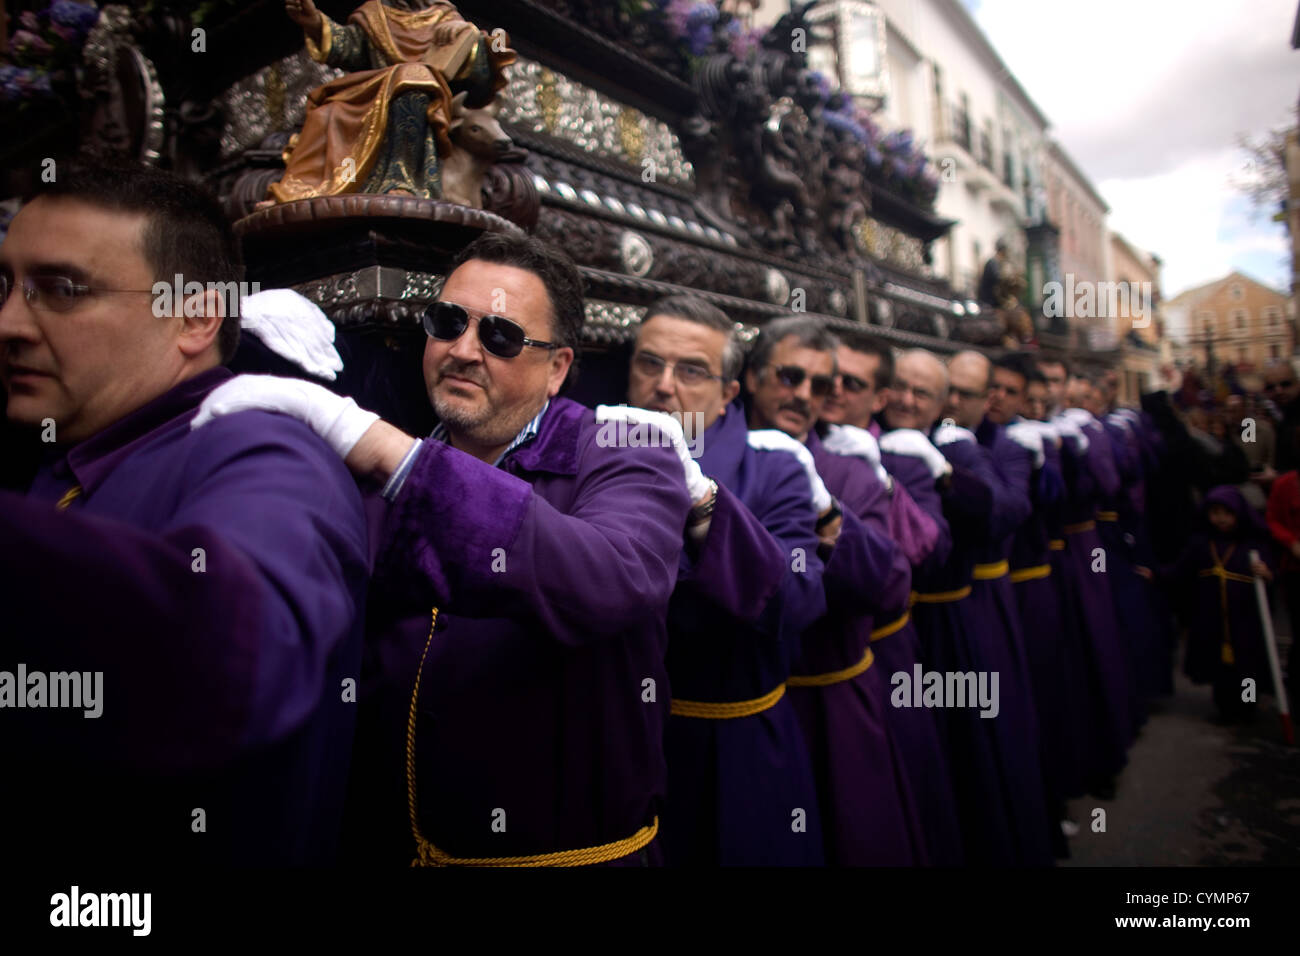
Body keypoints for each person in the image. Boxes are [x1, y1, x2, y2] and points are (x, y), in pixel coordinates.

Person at [197, 232, 696, 866]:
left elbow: (614, 578)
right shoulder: (369, 470)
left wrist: (384, 450)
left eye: (500, 337)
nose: (462, 351)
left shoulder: (626, 450)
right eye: (447, 322)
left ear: (558, 368)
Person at [0, 159, 370, 865]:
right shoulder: (61, 459)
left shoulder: (260, 445)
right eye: (6, 287)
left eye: (61, 290)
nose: (10, 323)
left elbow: (242, 652)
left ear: (194, 315)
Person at [625, 295, 827, 866]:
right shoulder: (599, 446)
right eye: (649, 364)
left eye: (691, 371)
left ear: (727, 395)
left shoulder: (775, 466)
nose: (665, 387)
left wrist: (707, 510)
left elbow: (801, 595)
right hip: (619, 744)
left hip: (731, 743)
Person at [744, 317, 924, 865]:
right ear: (751, 378)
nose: (805, 395)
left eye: (821, 385)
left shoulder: (848, 474)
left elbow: (890, 582)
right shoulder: (720, 453)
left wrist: (827, 511)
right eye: (790, 376)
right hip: (740, 708)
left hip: (829, 698)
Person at [818, 329, 963, 864]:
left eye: (851, 383)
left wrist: (881, 478)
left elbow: (931, 544)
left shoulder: (899, 453)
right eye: (827, 377)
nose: (833, 391)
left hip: (881, 652)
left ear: (877, 398)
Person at [878, 349, 1024, 865]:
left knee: (962, 748)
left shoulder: (959, 448)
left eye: (925, 394)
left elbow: (1000, 512)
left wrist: (946, 473)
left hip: (947, 622)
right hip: (889, 636)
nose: (906, 401)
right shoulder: (867, 438)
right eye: (899, 386)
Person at [946, 350, 1053, 865]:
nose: (952, 401)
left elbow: (1007, 512)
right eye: (950, 389)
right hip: (927, 614)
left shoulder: (1004, 445)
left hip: (983, 599)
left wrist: (961, 461)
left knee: (995, 722)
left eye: (966, 394)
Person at [1163, 487, 1275, 722]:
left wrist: (1266, 572)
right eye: (1215, 512)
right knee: (1221, 668)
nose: (1221, 518)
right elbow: (1180, 571)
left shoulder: (1252, 544)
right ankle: (1225, 708)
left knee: (1247, 667)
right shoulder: (1202, 544)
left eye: (1227, 512)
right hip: (1213, 618)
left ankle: (1247, 707)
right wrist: (1154, 575)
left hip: (1245, 619)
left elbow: (1272, 572)